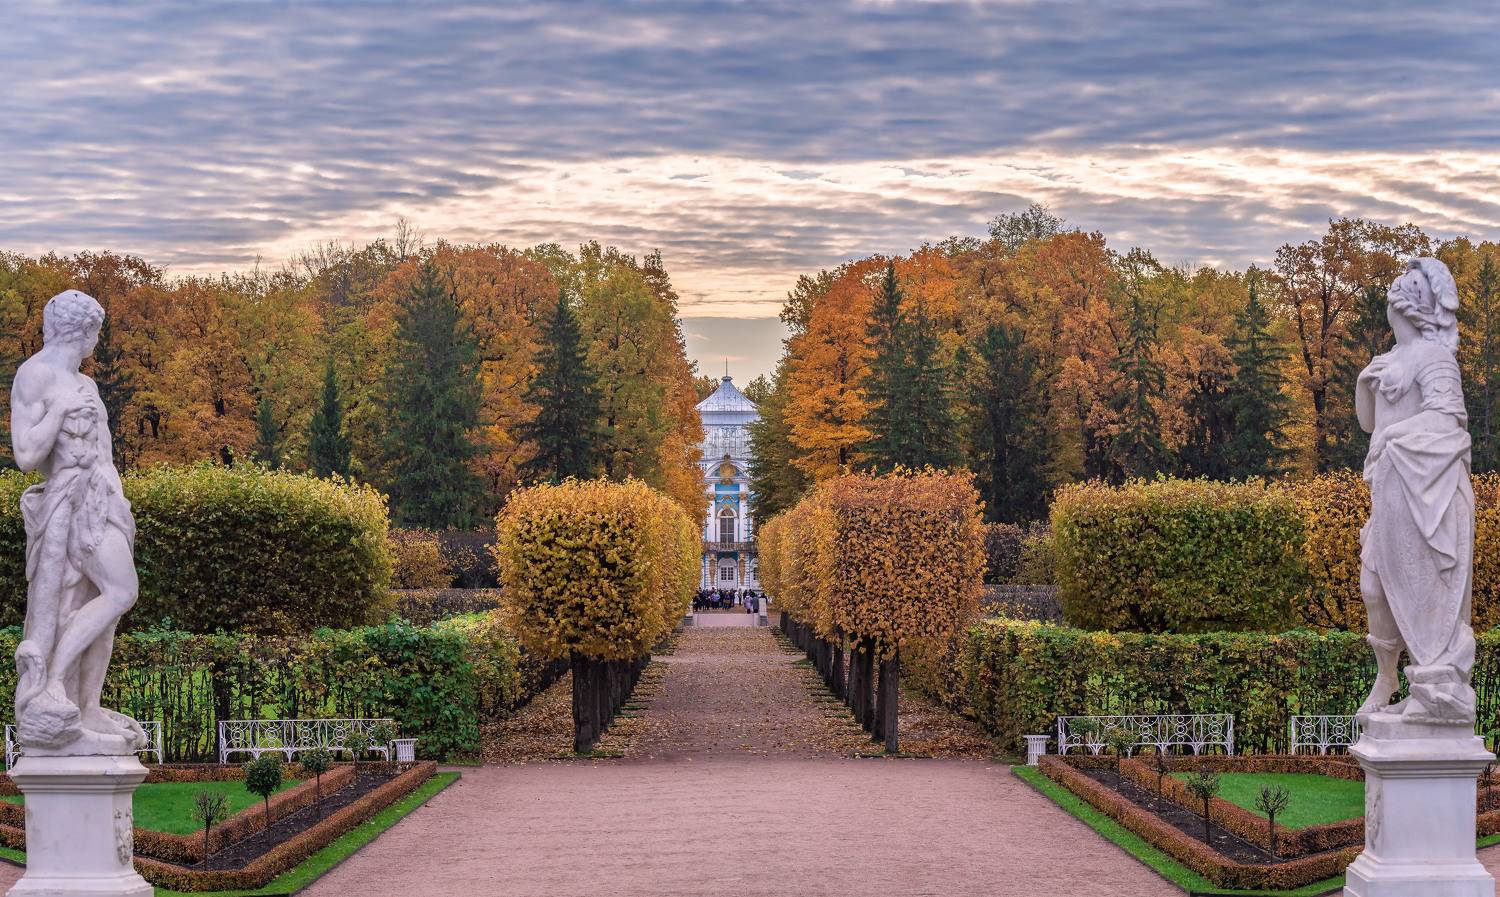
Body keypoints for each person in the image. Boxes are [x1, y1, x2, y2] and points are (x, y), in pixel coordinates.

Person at [10, 290, 147, 753]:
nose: (97, 340)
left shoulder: (86, 382)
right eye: (96, 331)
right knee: (121, 591)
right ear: (83, 330)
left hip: (104, 501)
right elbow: (26, 454)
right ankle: (51, 684)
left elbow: (103, 451)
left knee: (100, 604)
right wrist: (60, 411)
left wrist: (117, 501)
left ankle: (86, 706)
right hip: (70, 504)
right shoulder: (36, 374)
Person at [1355, 258, 1476, 725]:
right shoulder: (1390, 357)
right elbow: (1369, 422)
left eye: (1410, 282)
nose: (1399, 286)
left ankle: (1431, 685)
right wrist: (1365, 383)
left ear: (1417, 304)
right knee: (1373, 587)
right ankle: (1387, 676)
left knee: (1421, 591)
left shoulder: (1435, 358)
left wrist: (1393, 436)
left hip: (1427, 492)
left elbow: (1448, 420)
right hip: (1391, 490)